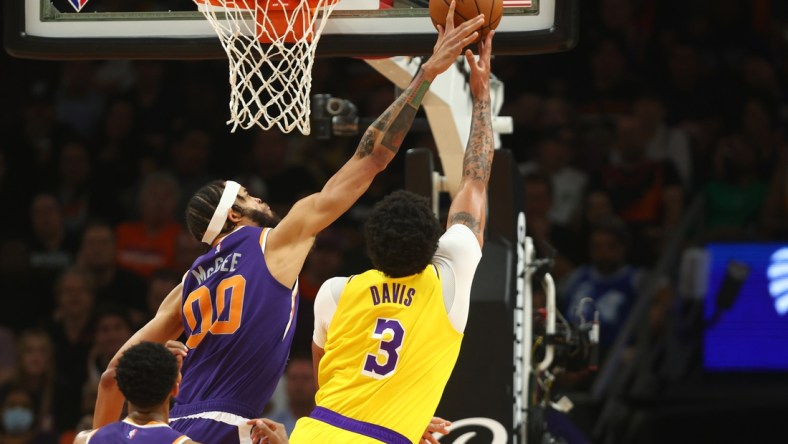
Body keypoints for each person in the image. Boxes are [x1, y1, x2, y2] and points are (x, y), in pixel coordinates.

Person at [93, 7, 486, 444]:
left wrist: (99, 437)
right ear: (235, 217)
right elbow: (372, 157)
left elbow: (112, 375)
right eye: (247, 196)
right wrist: (426, 73)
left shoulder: (186, 285)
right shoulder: (274, 243)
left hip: (176, 427)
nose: (259, 197)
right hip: (231, 429)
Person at [288, 28, 495, 444]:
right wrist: (482, 95)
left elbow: (329, 385)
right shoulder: (448, 283)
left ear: (372, 246)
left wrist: (426, 73)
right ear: (433, 241)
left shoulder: (334, 294)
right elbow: (474, 181)